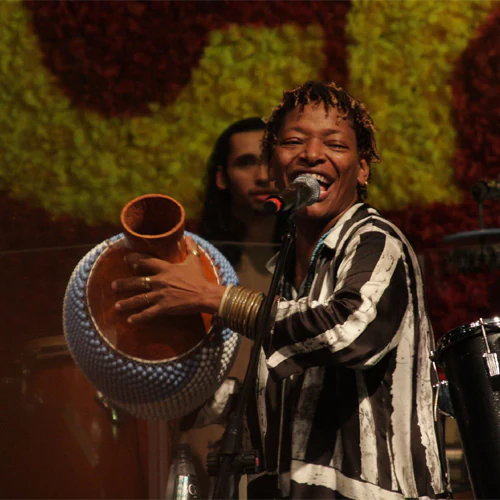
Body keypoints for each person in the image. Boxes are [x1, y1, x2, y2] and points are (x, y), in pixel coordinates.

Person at [112, 81, 449, 499]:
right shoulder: (286, 271)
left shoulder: (377, 241)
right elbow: (275, 397)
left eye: (335, 144)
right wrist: (156, 386)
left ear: (362, 169)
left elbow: (347, 331)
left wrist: (213, 297)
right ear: (274, 170)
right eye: (293, 142)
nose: (312, 154)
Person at [197, 116, 286, 291]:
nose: (263, 177)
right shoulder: (198, 257)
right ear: (222, 177)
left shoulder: (311, 255)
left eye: (272, 161)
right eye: (246, 163)